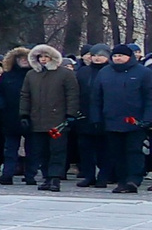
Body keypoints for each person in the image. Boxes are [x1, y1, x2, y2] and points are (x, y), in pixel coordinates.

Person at [22, 44, 78, 192]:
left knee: (57, 150)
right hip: (37, 119)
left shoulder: (65, 74)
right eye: (40, 57)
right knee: (41, 151)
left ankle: (55, 178)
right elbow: (25, 95)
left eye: (46, 56)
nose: (43, 60)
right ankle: (47, 177)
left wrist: (70, 114)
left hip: (58, 120)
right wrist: (24, 114)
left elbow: (72, 96)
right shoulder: (31, 75)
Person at [102, 44, 149, 194]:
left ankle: (133, 180)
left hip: (136, 121)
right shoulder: (105, 72)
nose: (118, 58)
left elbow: (149, 97)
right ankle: (122, 181)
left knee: (134, 151)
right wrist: (97, 117)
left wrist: (148, 118)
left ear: (129, 57)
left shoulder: (144, 73)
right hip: (112, 120)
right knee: (116, 152)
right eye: (115, 56)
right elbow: (96, 97)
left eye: (121, 55)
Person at [0, 46, 31, 185]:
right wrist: (2, 107)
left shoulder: (34, 75)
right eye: (21, 58)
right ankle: (7, 174)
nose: (24, 61)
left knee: (32, 148)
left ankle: (30, 175)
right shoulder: (7, 75)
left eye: (26, 58)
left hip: (30, 115)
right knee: (10, 148)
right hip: (9, 116)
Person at [75, 45, 112, 187]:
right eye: (94, 55)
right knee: (85, 149)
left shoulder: (110, 71)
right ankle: (89, 175)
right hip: (84, 115)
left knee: (104, 149)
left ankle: (104, 176)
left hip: (104, 115)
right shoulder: (83, 72)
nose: (97, 58)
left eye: (101, 55)